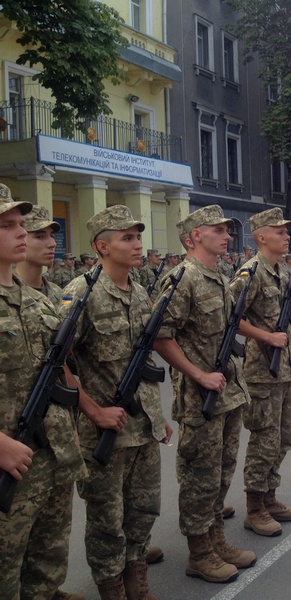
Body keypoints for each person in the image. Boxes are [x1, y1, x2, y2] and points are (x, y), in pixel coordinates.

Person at [62, 205, 171, 599]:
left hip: (142, 426)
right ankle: (112, 588)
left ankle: (135, 577)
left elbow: (143, 360)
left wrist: (157, 416)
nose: (138, 244)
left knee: (143, 510)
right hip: (105, 431)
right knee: (108, 519)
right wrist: (92, 410)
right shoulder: (80, 293)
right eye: (127, 237)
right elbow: (57, 363)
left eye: (138, 236)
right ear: (101, 246)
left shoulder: (139, 290)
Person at [153, 205, 255, 584]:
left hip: (228, 392)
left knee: (222, 472)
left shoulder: (218, 274)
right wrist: (198, 374)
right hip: (201, 398)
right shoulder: (182, 279)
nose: (227, 235)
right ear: (195, 235)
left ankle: (215, 540)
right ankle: (199, 553)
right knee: (200, 475)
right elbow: (161, 335)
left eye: (227, 230)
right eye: (217, 229)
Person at [0, 185, 88, 600]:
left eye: (21, 224)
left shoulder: (34, 300)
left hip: (50, 452)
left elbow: (56, 373)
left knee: (47, 559)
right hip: (8, 460)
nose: (20, 233)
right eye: (7, 225)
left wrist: (70, 426)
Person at [230, 208, 291, 539]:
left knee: (281, 440)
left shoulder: (280, 271)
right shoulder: (251, 273)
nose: (286, 236)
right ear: (261, 236)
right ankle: (254, 508)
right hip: (262, 372)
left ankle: (270, 498)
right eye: (280, 232)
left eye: (287, 232)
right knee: (264, 440)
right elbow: (232, 317)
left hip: (285, 369)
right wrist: (266, 336)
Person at [16, 204, 64, 304]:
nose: (53, 244)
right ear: (20, 237)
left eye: (52, 236)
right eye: (40, 237)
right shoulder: (7, 294)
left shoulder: (60, 294)